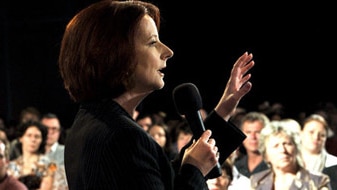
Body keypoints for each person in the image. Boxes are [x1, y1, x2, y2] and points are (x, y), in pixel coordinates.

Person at [58, 0, 254, 189]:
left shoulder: (90, 123)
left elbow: (160, 179)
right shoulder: (124, 137)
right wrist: (195, 170)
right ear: (115, 54)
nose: (168, 51)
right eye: (153, 42)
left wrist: (224, 110)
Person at [250, 120, 331, 189]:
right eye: (276, 146)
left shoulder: (317, 181)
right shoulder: (257, 181)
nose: (282, 150)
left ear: (296, 148)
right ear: (266, 155)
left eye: (287, 144)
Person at [7, 121, 55, 190]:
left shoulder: (51, 164)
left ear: (42, 140)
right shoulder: (11, 166)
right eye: (29, 135)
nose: (33, 140)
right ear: (21, 138)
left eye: (37, 136)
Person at [300, 114, 337, 190]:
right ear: (301, 133)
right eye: (311, 132)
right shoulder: (287, 161)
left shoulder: (334, 163)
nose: (316, 137)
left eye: (322, 135)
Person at [233, 112, 270, 178]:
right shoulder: (236, 166)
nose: (253, 137)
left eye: (258, 132)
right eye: (248, 132)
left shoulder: (274, 165)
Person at [40, 113, 68, 189]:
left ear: (59, 132)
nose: (50, 132)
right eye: (46, 129)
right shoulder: (33, 151)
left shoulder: (66, 152)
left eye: (54, 129)